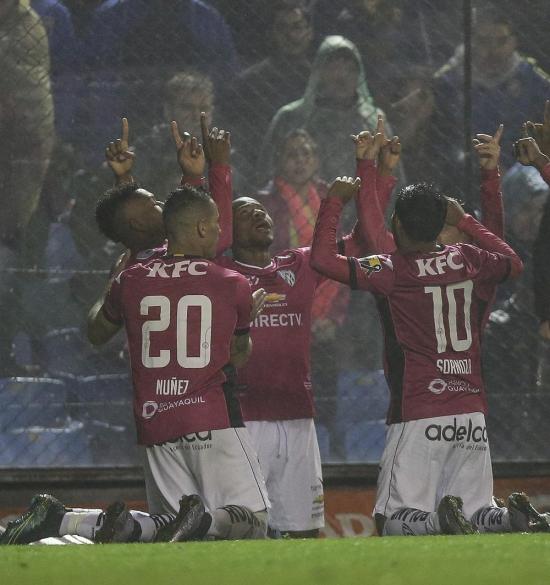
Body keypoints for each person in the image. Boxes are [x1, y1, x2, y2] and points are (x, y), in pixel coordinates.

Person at [309, 175, 548, 536]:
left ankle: (440, 520)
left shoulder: (388, 268)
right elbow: (512, 263)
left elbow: (324, 260)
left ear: (397, 224)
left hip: (419, 411)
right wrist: (466, 221)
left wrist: (334, 202)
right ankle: (512, 517)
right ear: (441, 224)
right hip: (470, 412)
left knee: (391, 519)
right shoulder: (467, 257)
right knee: (479, 508)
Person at [259, 35, 392, 187]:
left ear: (359, 75)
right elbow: (265, 174)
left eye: (350, 69)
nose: (342, 76)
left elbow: (392, 176)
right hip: (303, 208)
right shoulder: (292, 117)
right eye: (335, 68)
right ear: (319, 73)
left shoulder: (374, 120)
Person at [225, 1, 314, 190]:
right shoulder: (249, 82)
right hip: (259, 165)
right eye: (282, 28)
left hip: (309, 161)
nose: (290, 35)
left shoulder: (319, 81)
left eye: (297, 27)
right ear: (272, 33)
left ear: (310, 32)